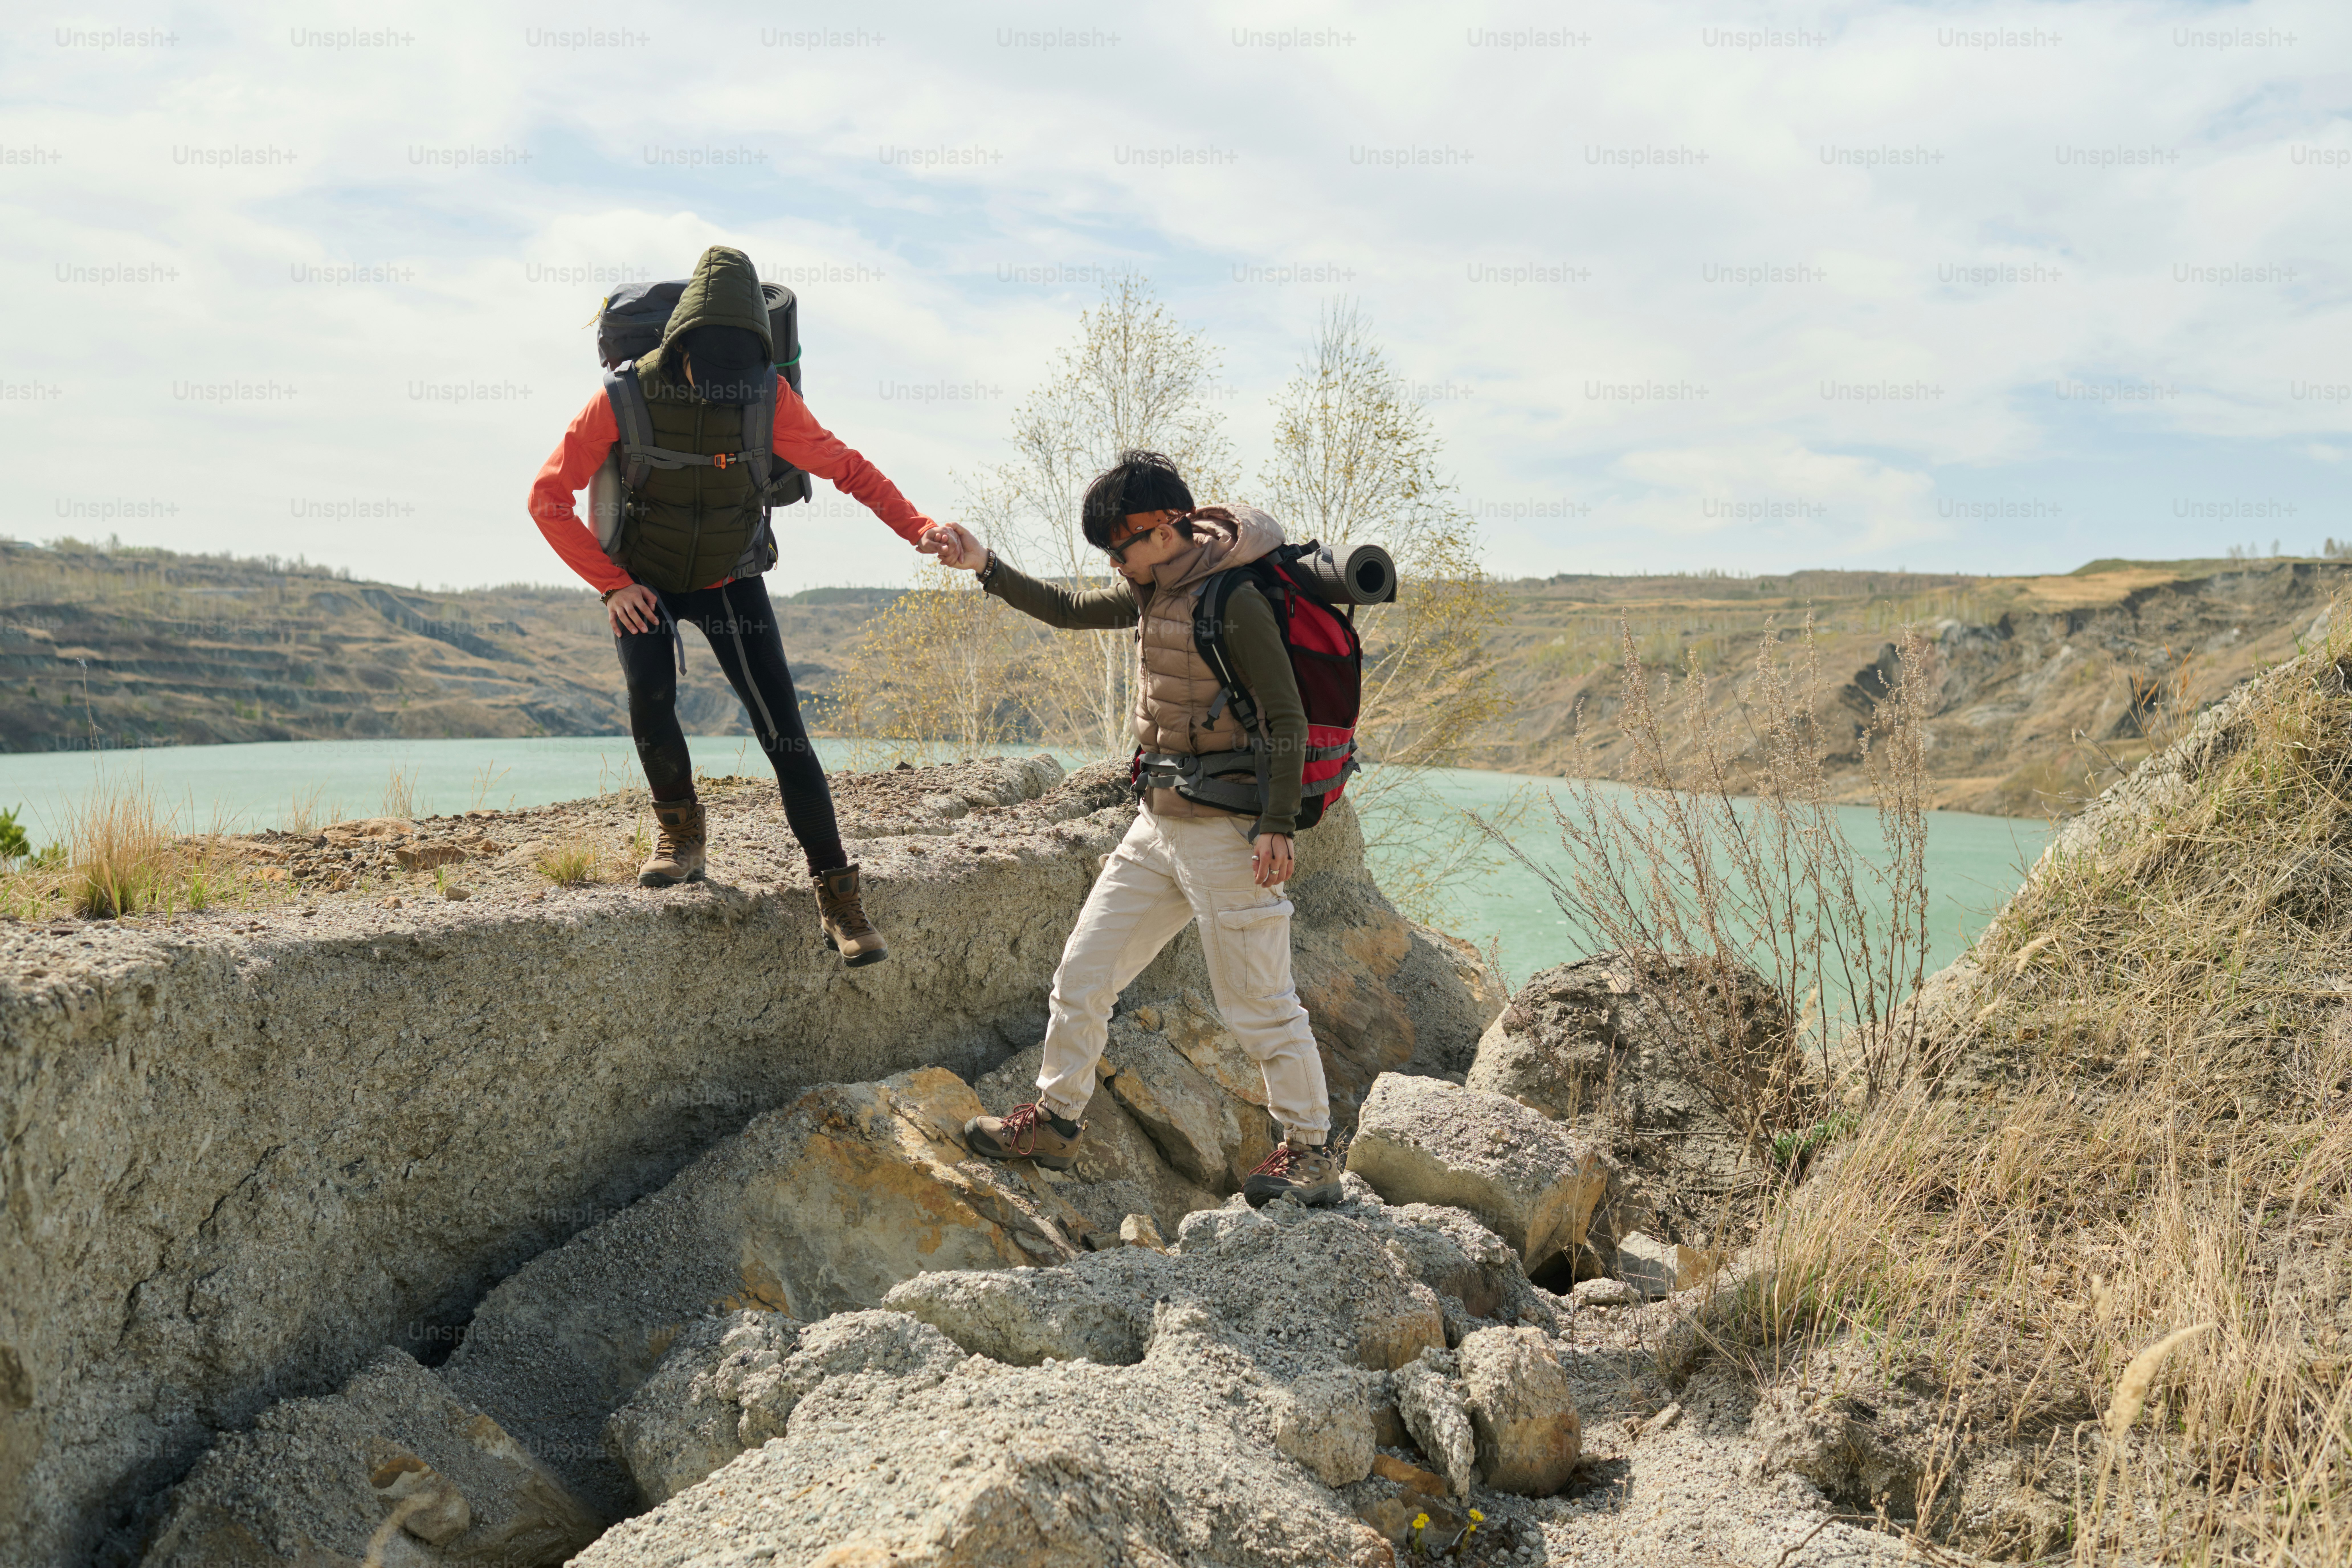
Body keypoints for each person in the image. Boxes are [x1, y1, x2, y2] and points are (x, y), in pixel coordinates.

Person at [922, 450, 1340, 1206]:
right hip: (1159, 824)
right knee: (1084, 975)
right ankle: (1055, 1120)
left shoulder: (1233, 597)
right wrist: (985, 565)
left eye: (1122, 547)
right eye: (1108, 553)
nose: (1116, 565)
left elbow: (1286, 714)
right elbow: (1070, 612)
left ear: (1169, 526)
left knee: (1259, 1006)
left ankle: (1310, 1153)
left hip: (1229, 832)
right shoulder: (1154, 589)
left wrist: (1278, 824)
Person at [528, 244, 940, 965]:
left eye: (737, 380)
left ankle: (838, 895)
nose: (725, 390)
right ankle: (682, 835)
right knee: (651, 698)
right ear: (679, 347)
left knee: (784, 731)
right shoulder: (623, 397)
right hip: (644, 581)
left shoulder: (770, 397)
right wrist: (611, 583)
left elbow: (850, 470)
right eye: (710, 377)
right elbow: (548, 497)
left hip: (730, 577)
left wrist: (922, 529)